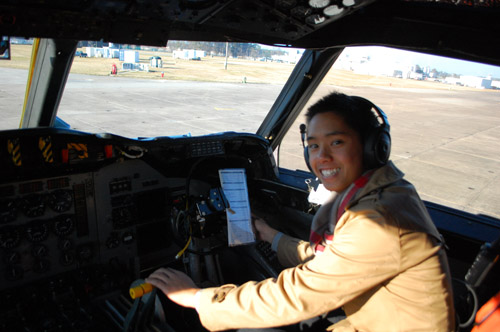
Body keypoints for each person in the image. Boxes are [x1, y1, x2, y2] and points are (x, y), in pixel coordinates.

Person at [146, 92, 456, 331]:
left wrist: (197, 298)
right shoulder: (384, 192)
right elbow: (332, 260)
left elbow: (296, 295)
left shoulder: (379, 220)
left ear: (373, 146)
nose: (322, 157)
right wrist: (270, 235)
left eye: (337, 142)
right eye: (314, 146)